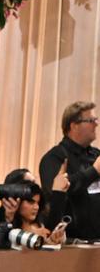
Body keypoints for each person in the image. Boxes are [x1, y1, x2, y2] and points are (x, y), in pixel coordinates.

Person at [39, 102, 100, 241]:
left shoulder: (96, 155)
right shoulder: (54, 158)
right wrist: (94, 171)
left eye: (96, 120)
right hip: (70, 243)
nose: (96, 124)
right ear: (74, 125)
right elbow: (57, 192)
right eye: (91, 120)